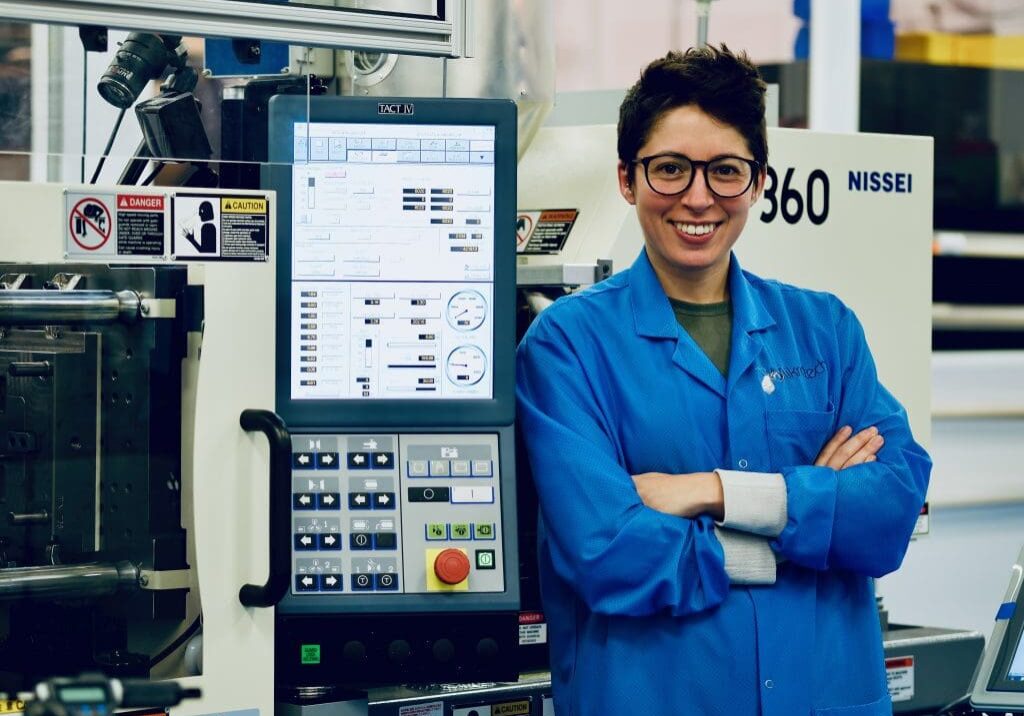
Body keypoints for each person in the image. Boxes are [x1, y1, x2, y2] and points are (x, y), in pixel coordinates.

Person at [515, 45, 931, 716]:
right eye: (670, 169)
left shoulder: (825, 330)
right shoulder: (568, 346)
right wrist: (807, 526)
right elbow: (608, 553)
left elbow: (887, 515)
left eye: (725, 171)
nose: (698, 196)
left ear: (759, 182)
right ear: (627, 179)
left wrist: (706, 492)